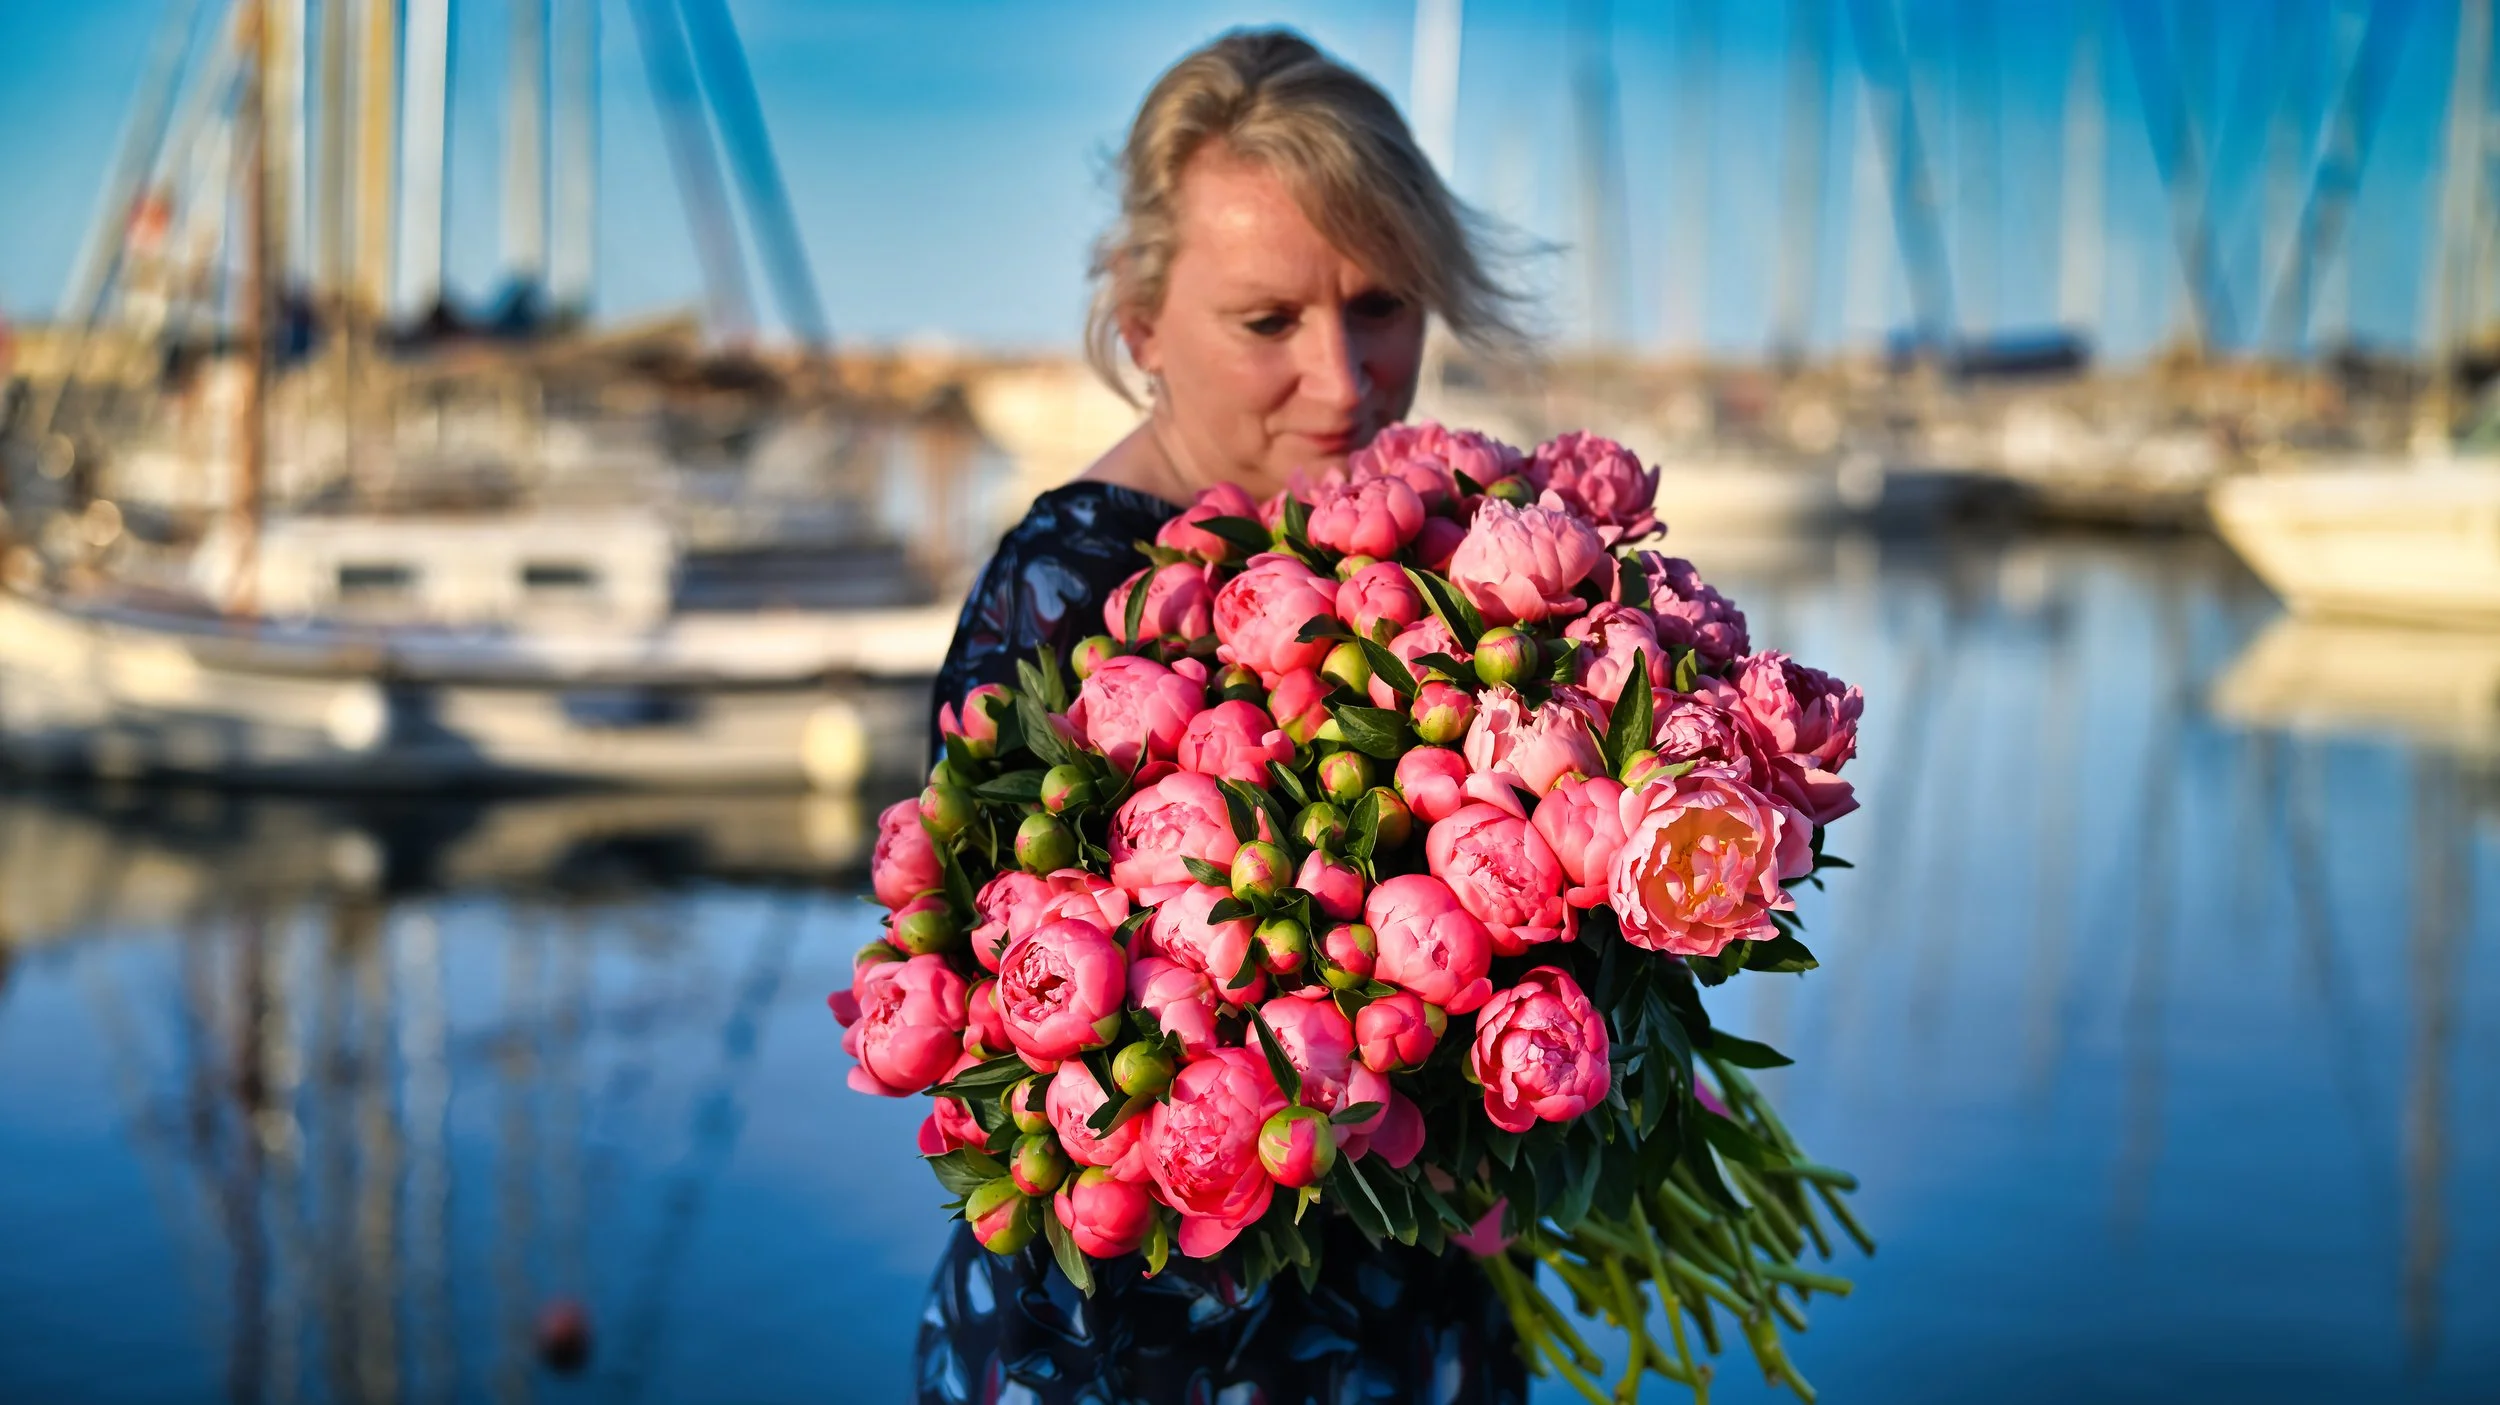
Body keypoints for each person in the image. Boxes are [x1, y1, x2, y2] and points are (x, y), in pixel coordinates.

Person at [918, 29, 1529, 1404]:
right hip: (1144, 1353)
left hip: (1408, 1324)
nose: (1345, 378)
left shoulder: (1415, 546)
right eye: (1268, 322)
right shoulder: (1063, 591)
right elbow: (1015, 1067)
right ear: (1141, 321)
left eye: (1380, 305)